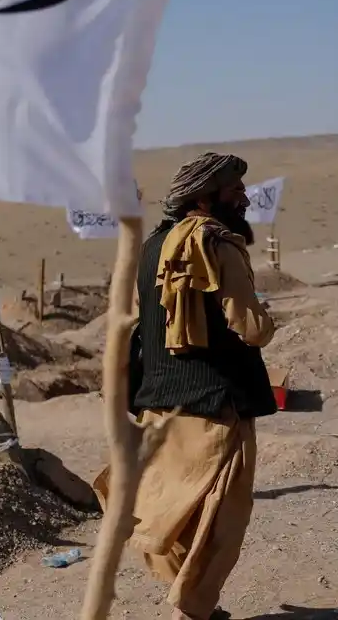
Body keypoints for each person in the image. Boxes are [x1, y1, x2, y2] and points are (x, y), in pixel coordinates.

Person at [93, 153, 276, 620]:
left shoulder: (152, 245)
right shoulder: (217, 243)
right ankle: (192, 608)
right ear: (203, 195)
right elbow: (250, 326)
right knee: (221, 520)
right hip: (217, 404)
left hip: (159, 401)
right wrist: (266, 319)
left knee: (160, 511)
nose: (242, 196)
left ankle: (191, 599)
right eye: (232, 188)